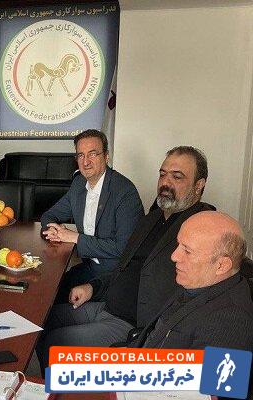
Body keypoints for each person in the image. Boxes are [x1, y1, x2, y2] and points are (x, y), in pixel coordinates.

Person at [36, 146, 214, 373]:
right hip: (106, 304)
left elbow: (193, 297)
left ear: (199, 185)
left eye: (177, 177)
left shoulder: (199, 229)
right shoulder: (152, 219)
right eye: (162, 174)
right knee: (39, 320)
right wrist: (93, 287)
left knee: (55, 343)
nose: (165, 183)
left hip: (132, 324)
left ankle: (59, 385)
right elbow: (125, 266)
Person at [41, 129, 144, 301]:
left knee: (55, 302)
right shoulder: (79, 184)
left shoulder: (125, 192)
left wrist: (75, 238)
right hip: (89, 267)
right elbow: (49, 215)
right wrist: (53, 230)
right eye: (80, 155)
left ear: (106, 156)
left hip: (115, 276)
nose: (86, 162)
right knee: (46, 291)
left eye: (93, 154)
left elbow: (124, 248)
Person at [134, 211, 253, 350]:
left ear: (221, 266)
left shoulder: (231, 323)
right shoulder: (197, 281)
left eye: (187, 251)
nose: (174, 256)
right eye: (178, 244)